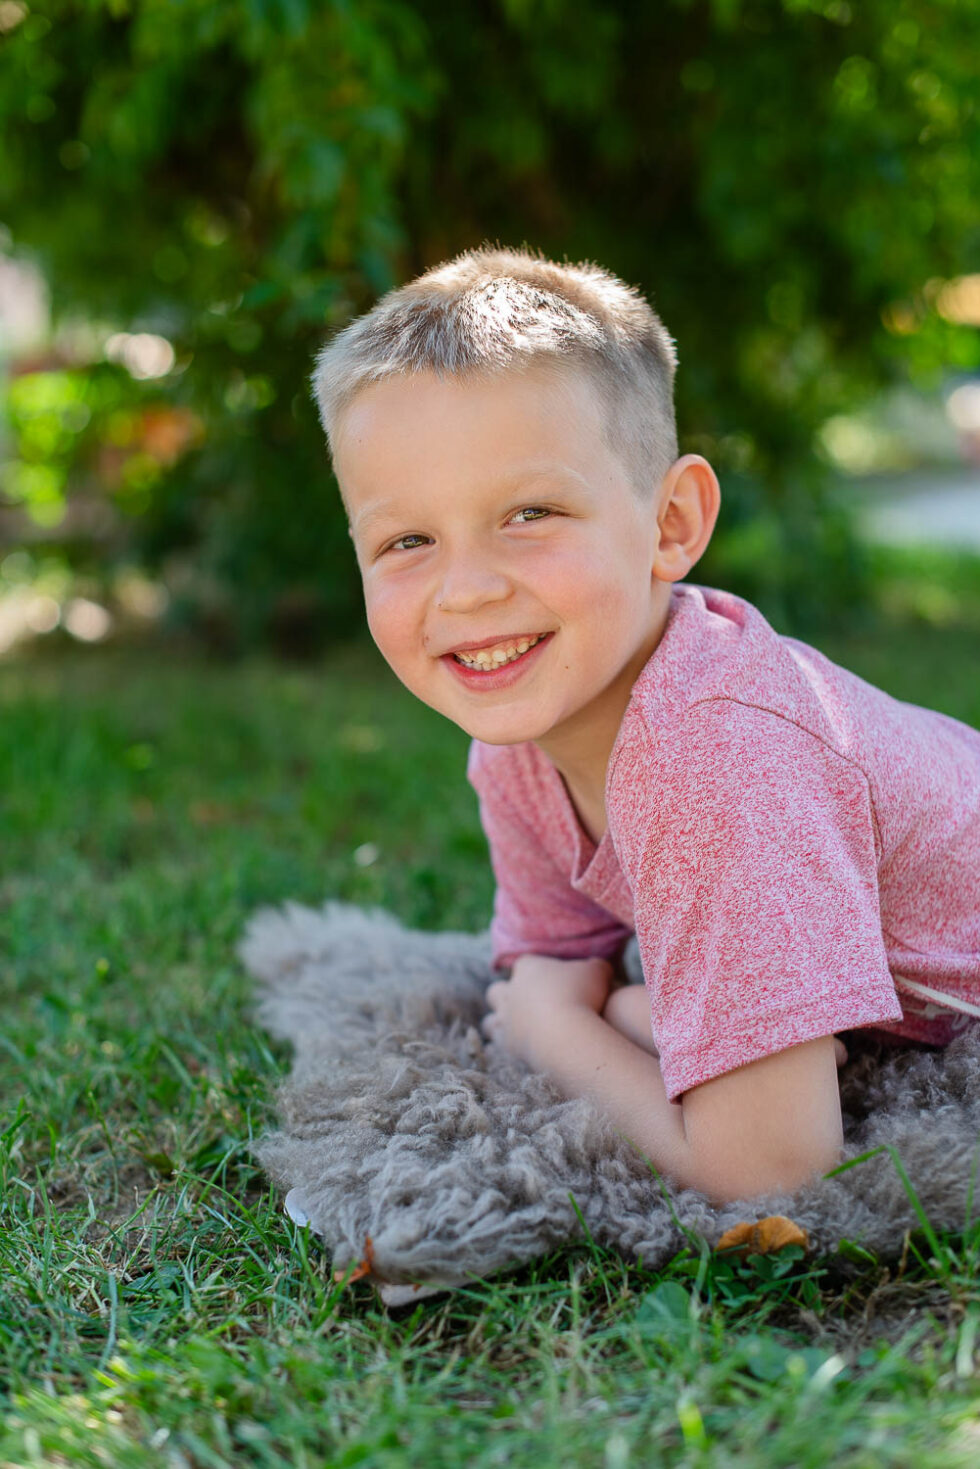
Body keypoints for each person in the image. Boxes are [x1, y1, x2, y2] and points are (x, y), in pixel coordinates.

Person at [311, 246, 980, 1205]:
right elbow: (554, 955)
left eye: (530, 512)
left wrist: (559, 1032)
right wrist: (586, 998)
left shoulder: (720, 756)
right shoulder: (517, 751)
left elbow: (776, 1171)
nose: (466, 590)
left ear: (672, 524)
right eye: (406, 540)